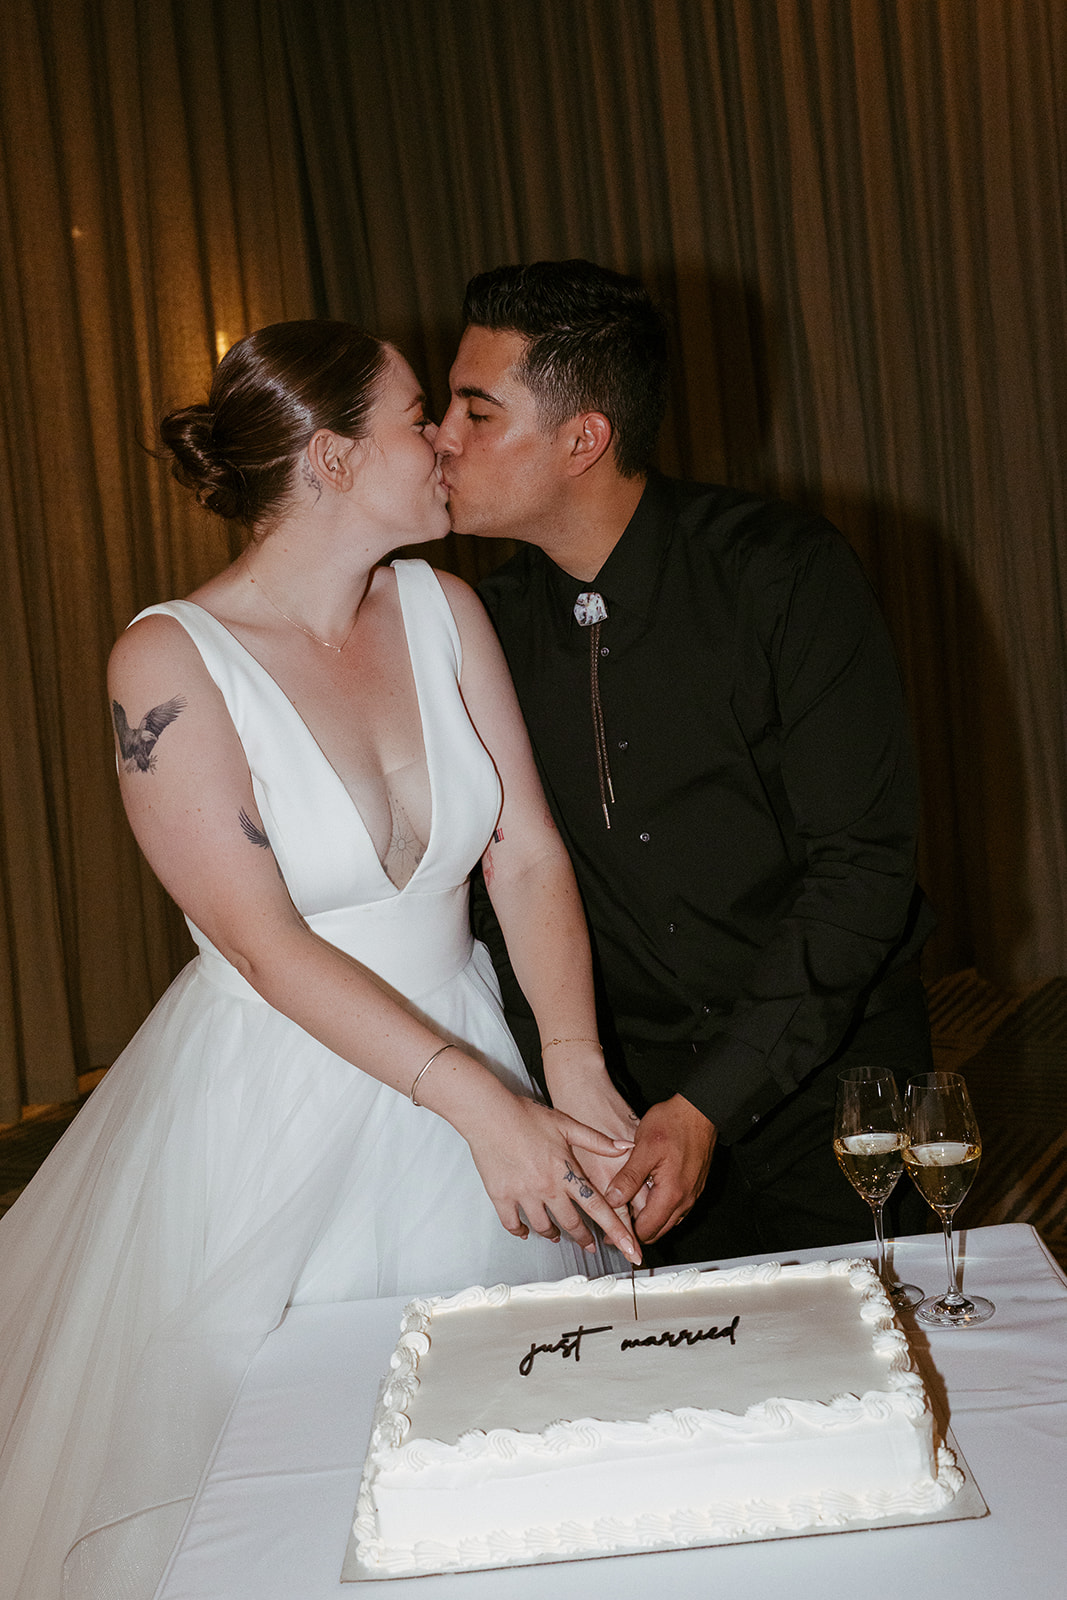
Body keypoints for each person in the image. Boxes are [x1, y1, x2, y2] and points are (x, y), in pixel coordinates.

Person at [0, 319, 641, 1600]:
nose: (447, 439)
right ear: (333, 460)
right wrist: (480, 1105)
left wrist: (569, 1066)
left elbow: (521, 854)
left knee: (502, 1458)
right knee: (291, 1491)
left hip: (472, 1043)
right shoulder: (168, 658)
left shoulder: (443, 607)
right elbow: (262, 939)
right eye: (418, 417)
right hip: (276, 1094)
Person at [437, 259, 935, 1267]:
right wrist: (562, 1082)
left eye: (475, 412)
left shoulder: (782, 572)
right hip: (624, 1115)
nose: (441, 437)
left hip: (829, 1082)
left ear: (582, 439)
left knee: (887, 1349)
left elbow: (862, 871)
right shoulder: (481, 626)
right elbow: (495, 893)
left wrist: (710, 1102)